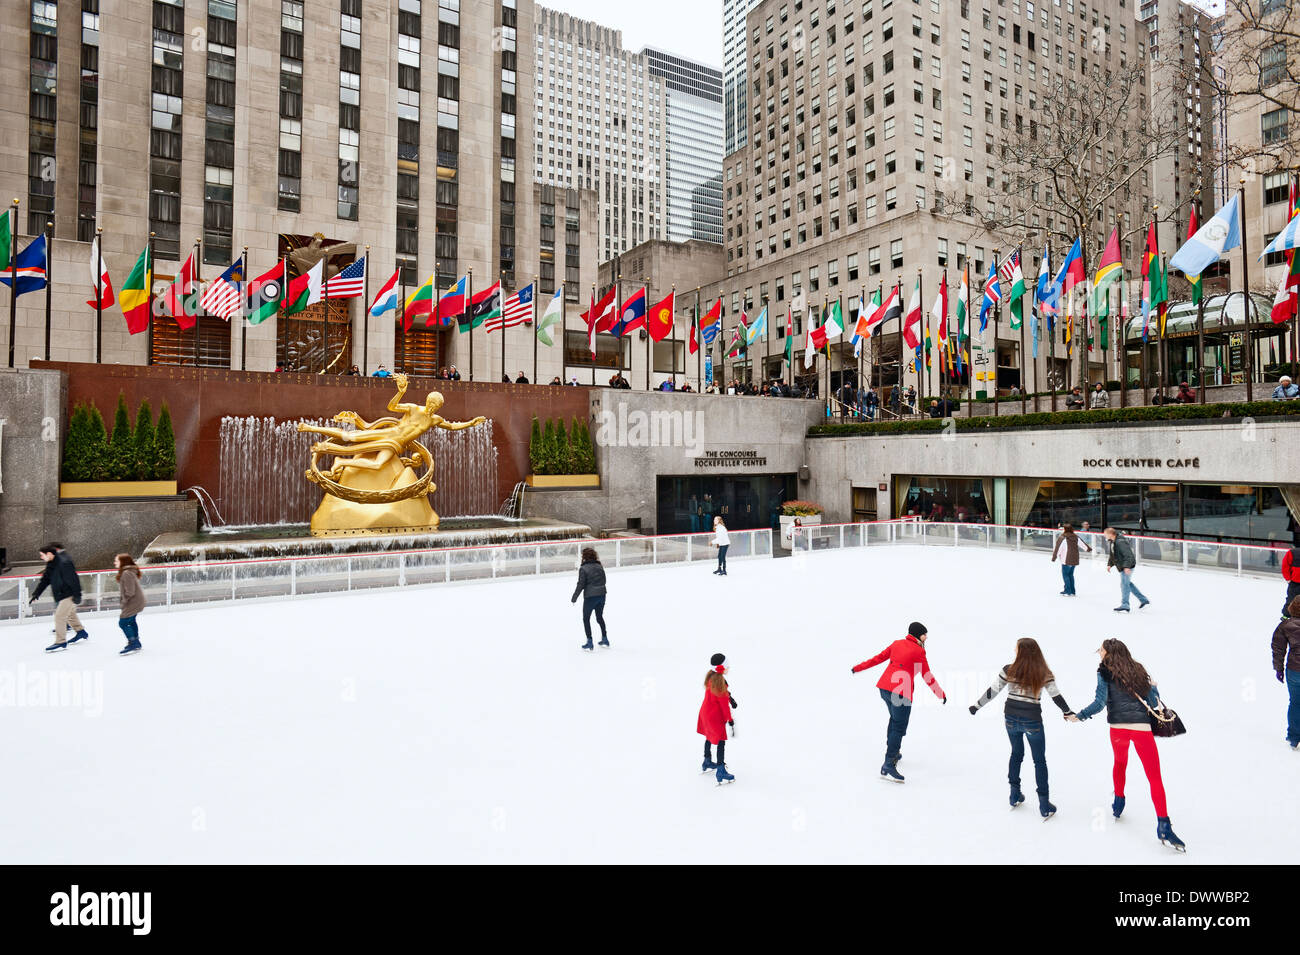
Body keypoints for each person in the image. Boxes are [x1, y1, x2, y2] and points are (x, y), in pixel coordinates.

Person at [1070, 638, 1185, 851]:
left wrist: (1081, 716)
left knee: (1120, 762)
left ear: (1108, 653)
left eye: (1101, 651)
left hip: (1118, 728)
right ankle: (1164, 825)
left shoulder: (1103, 672)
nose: (1099, 654)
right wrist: (1154, 688)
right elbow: (1153, 703)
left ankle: (1119, 802)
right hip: (1141, 729)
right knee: (1154, 777)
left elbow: (1099, 702)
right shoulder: (1138, 669)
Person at [969, 638, 1074, 818]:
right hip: (1032, 720)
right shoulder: (1043, 672)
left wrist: (977, 706)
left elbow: (992, 691)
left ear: (1020, 652)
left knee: (1016, 754)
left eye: (1016, 648)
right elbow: (1056, 696)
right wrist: (1067, 711)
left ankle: (1014, 794)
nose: (1014, 650)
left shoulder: (1009, 669)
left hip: (1010, 718)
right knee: (1039, 760)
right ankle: (1044, 804)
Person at [851, 621, 947, 782]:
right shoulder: (919, 651)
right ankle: (889, 763)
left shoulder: (897, 644)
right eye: (924, 634)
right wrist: (940, 694)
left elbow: (877, 659)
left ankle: (893, 753)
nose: (926, 637)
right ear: (918, 635)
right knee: (898, 726)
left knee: (895, 720)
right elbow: (926, 675)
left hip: (884, 688)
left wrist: (857, 668)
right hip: (901, 692)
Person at [31, 543, 88, 652]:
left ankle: (61, 641)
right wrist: (36, 593)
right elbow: (45, 580)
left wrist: (77, 595)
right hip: (61, 594)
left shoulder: (63, 563)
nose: (41, 557)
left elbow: (73, 579)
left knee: (59, 616)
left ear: (49, 554)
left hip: (68, 594)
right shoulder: (51, 564)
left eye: (42, 555)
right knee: (70, 614)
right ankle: (81, 632)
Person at [697, 657, 735, 784]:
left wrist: (730, 697)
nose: (728, 668)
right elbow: (724, 708)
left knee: (708, 736)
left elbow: (722, 694)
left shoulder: (711, 678)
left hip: (705, 713)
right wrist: (730, 720)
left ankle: (707, 761)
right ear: (722, 668)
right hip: (714, 717)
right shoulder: (720, 685)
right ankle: (720, 771)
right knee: (721, 742)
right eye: (727, 666)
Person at [1273, 596, 1300, 750]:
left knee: (1296, 703)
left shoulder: (1285, 626)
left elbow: (1278, 649)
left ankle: (1294, 737)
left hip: (1294, 671)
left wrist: (1278, 669)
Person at [570, 546, 609, 651]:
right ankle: (605, 638)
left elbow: (580, 585)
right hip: (602, 595)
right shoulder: (599, 566)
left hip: (590, 597)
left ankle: (589, 641)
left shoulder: (583, 569)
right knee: (599, 617)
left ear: (584, 557)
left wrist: (574, 597)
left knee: (586, 618)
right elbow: (604, 580)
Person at [1103, 526, 1150, 612]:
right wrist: (1110, 564)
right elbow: (1113, 554)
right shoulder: (1113, 541)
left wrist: (1127, 566)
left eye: (1105, 534)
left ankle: (1125, 604)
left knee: (1124, 585)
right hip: (1123, 565)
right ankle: (1143, 600)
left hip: (1127, 565)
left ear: (1110, 534)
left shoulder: (1120, 542)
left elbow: (1128, 555)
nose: (1104, 536)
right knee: (1127, 584)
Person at [115, 553, 146, 656]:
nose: (114, 562)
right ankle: (136, 641)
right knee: (131, 621)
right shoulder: (128, 572)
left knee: (123, 622)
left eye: (117, 561)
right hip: (137, 601)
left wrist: (123, 602)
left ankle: (133, 642)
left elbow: (130, 592)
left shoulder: (126, 573)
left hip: (134, 602)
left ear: (123, 562)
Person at [1050, 523, 1093, 596]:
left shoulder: (1062, 537)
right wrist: (1088, 549)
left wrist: (1054, 557)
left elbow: (1058, 549)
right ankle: (1072, 591)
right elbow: (1082, 544)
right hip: (1074, 559)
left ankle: (1067, 591)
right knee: (1070, 575)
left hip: (1066, 560)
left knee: (1066, 575)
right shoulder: (1075, 536)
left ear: (1065, 529)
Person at [1281, 539, 1300, 618]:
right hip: (1294, 582)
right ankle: (1286, 614)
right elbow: (1285, 566)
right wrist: (1288, 579)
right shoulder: (1292, 552)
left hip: (1294, 582)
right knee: (1291, 599)